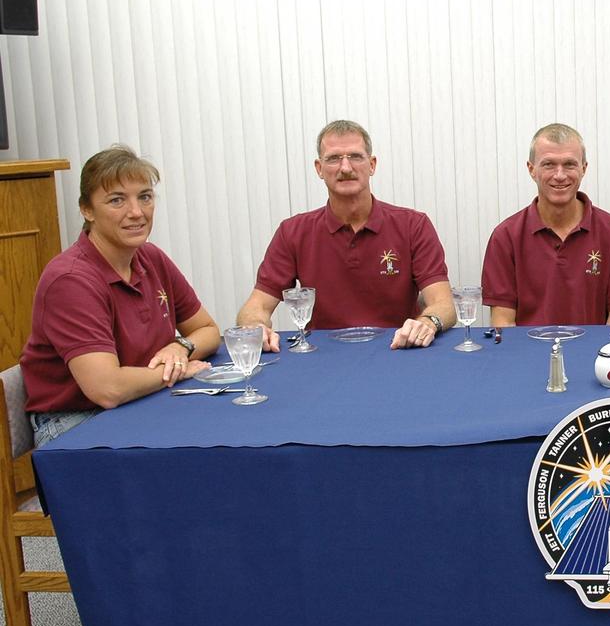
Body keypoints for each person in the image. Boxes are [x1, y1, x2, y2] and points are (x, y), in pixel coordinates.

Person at [20, 145, 220, 446]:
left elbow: (208, 330)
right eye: (117, 200)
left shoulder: (151, 258)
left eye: (145, 197)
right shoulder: (70, 280)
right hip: (78, 421)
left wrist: (180, 347)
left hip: (142, 399)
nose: (136, 212)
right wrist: (178, 371)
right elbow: (108, 389)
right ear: (87, 210)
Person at [236, 120, 455, 350]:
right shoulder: (293, 232)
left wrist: (428, 323)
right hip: (323, 358)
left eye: (356, 157)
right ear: (319, 169)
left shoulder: (413, 225)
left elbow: (444, 304)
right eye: (333, 158)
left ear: (372, 165)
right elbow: (255, 307)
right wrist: (255, 326)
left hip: (398, 350)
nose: (346, 168)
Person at [482, 124, 610, 326]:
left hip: (594, 347)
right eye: (549, 164)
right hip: (527, 348)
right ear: (531, 169)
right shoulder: (506, 237)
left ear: (583, 169)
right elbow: (502, 322)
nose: (559, 175)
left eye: (569, 164)